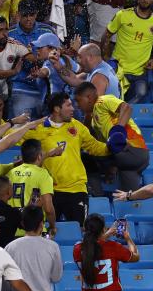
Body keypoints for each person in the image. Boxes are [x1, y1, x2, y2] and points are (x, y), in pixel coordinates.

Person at [20, 92, 113, 224]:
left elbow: (94, 146)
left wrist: (111, 147)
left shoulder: (77, 126)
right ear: (57, 109)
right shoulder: (38, 129)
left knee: (79, 231)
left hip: (76, 189)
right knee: (48, 231)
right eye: (68, 105)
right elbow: (12, 138)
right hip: (50, 190)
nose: (73, 109)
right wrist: (5, 122)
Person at [74, 81, 150, 192]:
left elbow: (127, 107)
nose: (77, 105)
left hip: (130, 149)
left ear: (89, 97)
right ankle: (103, 198)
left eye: (78, 101)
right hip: (131, 161)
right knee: (129, 197)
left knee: (85, 158)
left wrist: (117, 132)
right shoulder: (93, 119)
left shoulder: (103, 100)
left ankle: (97, 194)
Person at [101, 0, 153, 104]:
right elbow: (106, 35)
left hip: (140, 73)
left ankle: (124, 113)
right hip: (118, 69)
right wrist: (105, 58)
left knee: (141, 93)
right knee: (114, 99)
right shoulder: (123, 15)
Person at [73, 213, 140, 291]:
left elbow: (93, 244)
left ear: (84, 229)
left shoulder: (77, 249)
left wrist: (107, 234)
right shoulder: (113, 246)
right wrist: (128, 238)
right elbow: (135, 256)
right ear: (103, 229)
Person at [5, 205, 63, 291]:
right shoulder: (53, 247)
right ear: (41, 224)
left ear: (23, 224)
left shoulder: (10, 247)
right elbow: (56, 277)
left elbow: (7, 279)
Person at [6, 139, 58, 237]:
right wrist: (52, 226)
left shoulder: (11, 173)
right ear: (39, 156)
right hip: (34, 230)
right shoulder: (43, 174)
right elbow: (48, 208)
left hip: (13, 230)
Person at [9, 31, 57, 119]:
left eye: (40, 48)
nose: (37, 50)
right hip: (55, 104)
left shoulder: (50, 62)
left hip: (55, 105)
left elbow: (45, 71)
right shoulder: (63, 60)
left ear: (51, 49)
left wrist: (39, 73)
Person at [51, 43, 121, 98]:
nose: (78, 60)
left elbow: (94, 107)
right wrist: (57, 64)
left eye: (80, 57)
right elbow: (73, 79)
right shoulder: (96, 70)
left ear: (90, 57)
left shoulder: (99, 76)